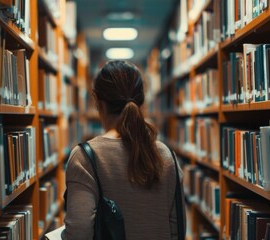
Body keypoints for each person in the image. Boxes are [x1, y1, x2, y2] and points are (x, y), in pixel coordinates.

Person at [61, 60, 186, 240]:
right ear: (141, 101)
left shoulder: (85, 158)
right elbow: (177, 229)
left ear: (98, 101)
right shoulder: (166, 156)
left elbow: (79, 233)